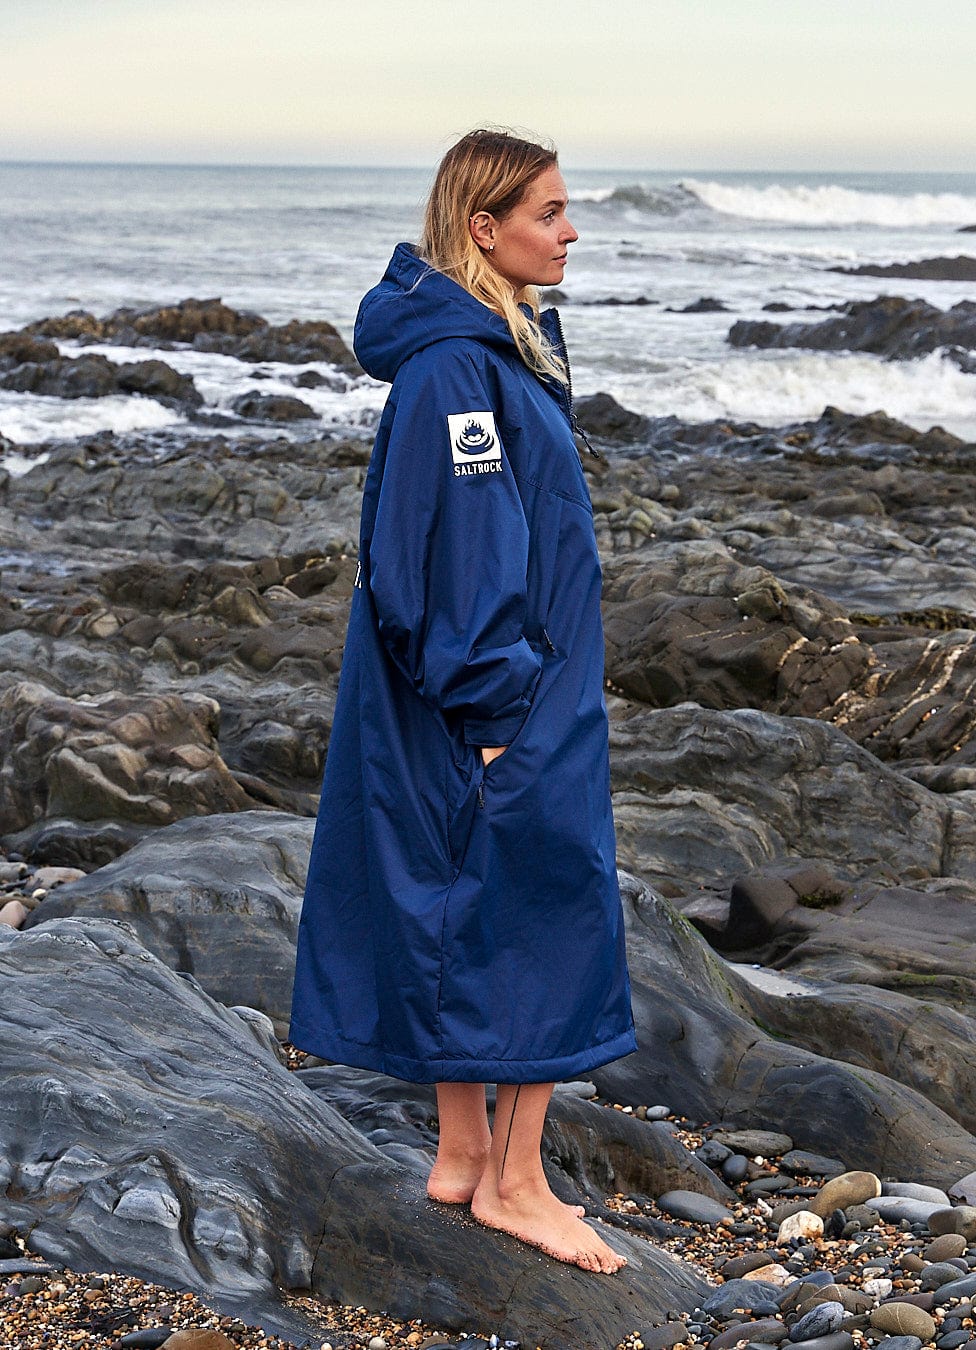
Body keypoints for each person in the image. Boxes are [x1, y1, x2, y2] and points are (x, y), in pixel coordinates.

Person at [289, 129, 636, 1275]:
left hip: (514, 681)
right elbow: (458, 551)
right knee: (546, 905)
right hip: (502, 695)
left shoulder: (498, 346)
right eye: (549, 212)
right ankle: (518, 1184)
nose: (571, 229)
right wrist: (498, 708)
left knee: (460, 897)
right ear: (483, 229)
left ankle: (460, 1153)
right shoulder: (457, 372)